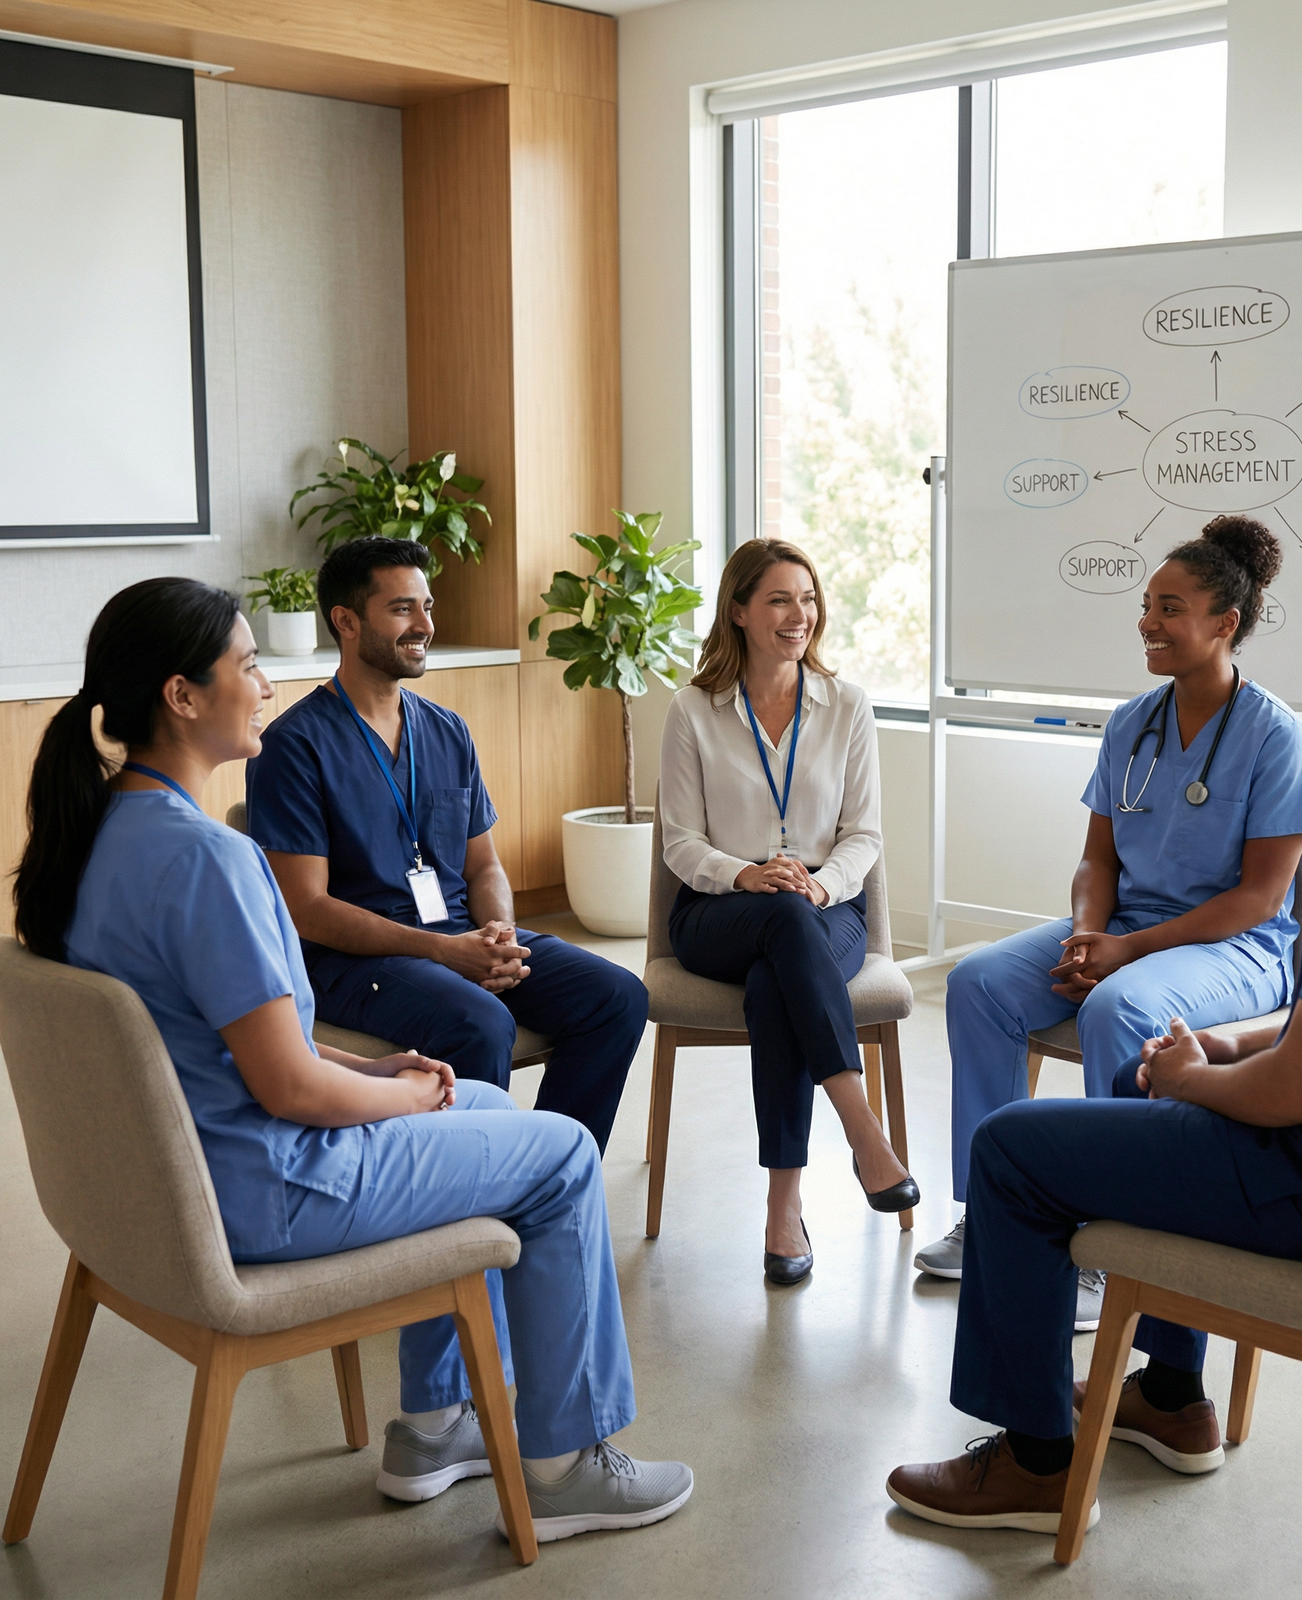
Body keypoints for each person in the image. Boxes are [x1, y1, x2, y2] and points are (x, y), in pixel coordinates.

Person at [886, 554, 1302, 1533]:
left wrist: (1186, 1078)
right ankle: (1170, 1398)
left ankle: (1036, 1459)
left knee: (1013, 1150)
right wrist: (1227, 1039)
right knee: (1107, 1068)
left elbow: (1297, 1091)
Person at [12, 577, 691, 1537]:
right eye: (247, 665)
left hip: (178, 1183)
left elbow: (231, 1049)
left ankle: (435, 1424)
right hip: (269, 1186)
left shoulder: (95, 842)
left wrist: (378, 1072)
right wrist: (407, 1103)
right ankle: (565, 1462)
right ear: (182, 695)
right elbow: (288, 1086)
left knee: (499, 1116)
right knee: (564, 1157)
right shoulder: (209, 860)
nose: (265, 684)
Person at [916, 515, 1302, 1337]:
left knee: (1119, 1008)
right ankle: (988, 1209)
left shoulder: (1277, 737)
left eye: (1170, 608)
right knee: (980, 983)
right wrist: (1086, 935)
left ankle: (1109, 1241)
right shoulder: (1132, 722)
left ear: (1224, 624)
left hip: (1237, 948)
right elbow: (1096, 860)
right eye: (1146, 606)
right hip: (1129, 927)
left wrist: (1124, 954)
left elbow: (1259, 899)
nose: (1148, 623)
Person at [245, 537, 646, 1153]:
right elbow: (307, 909)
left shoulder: (446, 729)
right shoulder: (293, 747)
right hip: (352, 962)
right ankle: (471, 1204)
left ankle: (549, 1178)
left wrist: (499, 938)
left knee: (617, 996)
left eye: (427, 606)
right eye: (403, 609)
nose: (426, 626)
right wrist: (445, 952)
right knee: (481, 1024)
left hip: (458, 934)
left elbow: (483, 863)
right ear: (346, 622)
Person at [658, 537, 919, 1285]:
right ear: (738, 611)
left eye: (807, 599)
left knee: (783, 973)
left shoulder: (848, 707)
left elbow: (864, 834)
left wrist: (819, 885)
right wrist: (747, 876)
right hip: (720, 909)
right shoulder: (692, 710)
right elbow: (679, 842)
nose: (798, 615)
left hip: (823, 904)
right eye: (778, 599)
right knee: (779, 922)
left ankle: (784, 1207)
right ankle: (862, 1130)